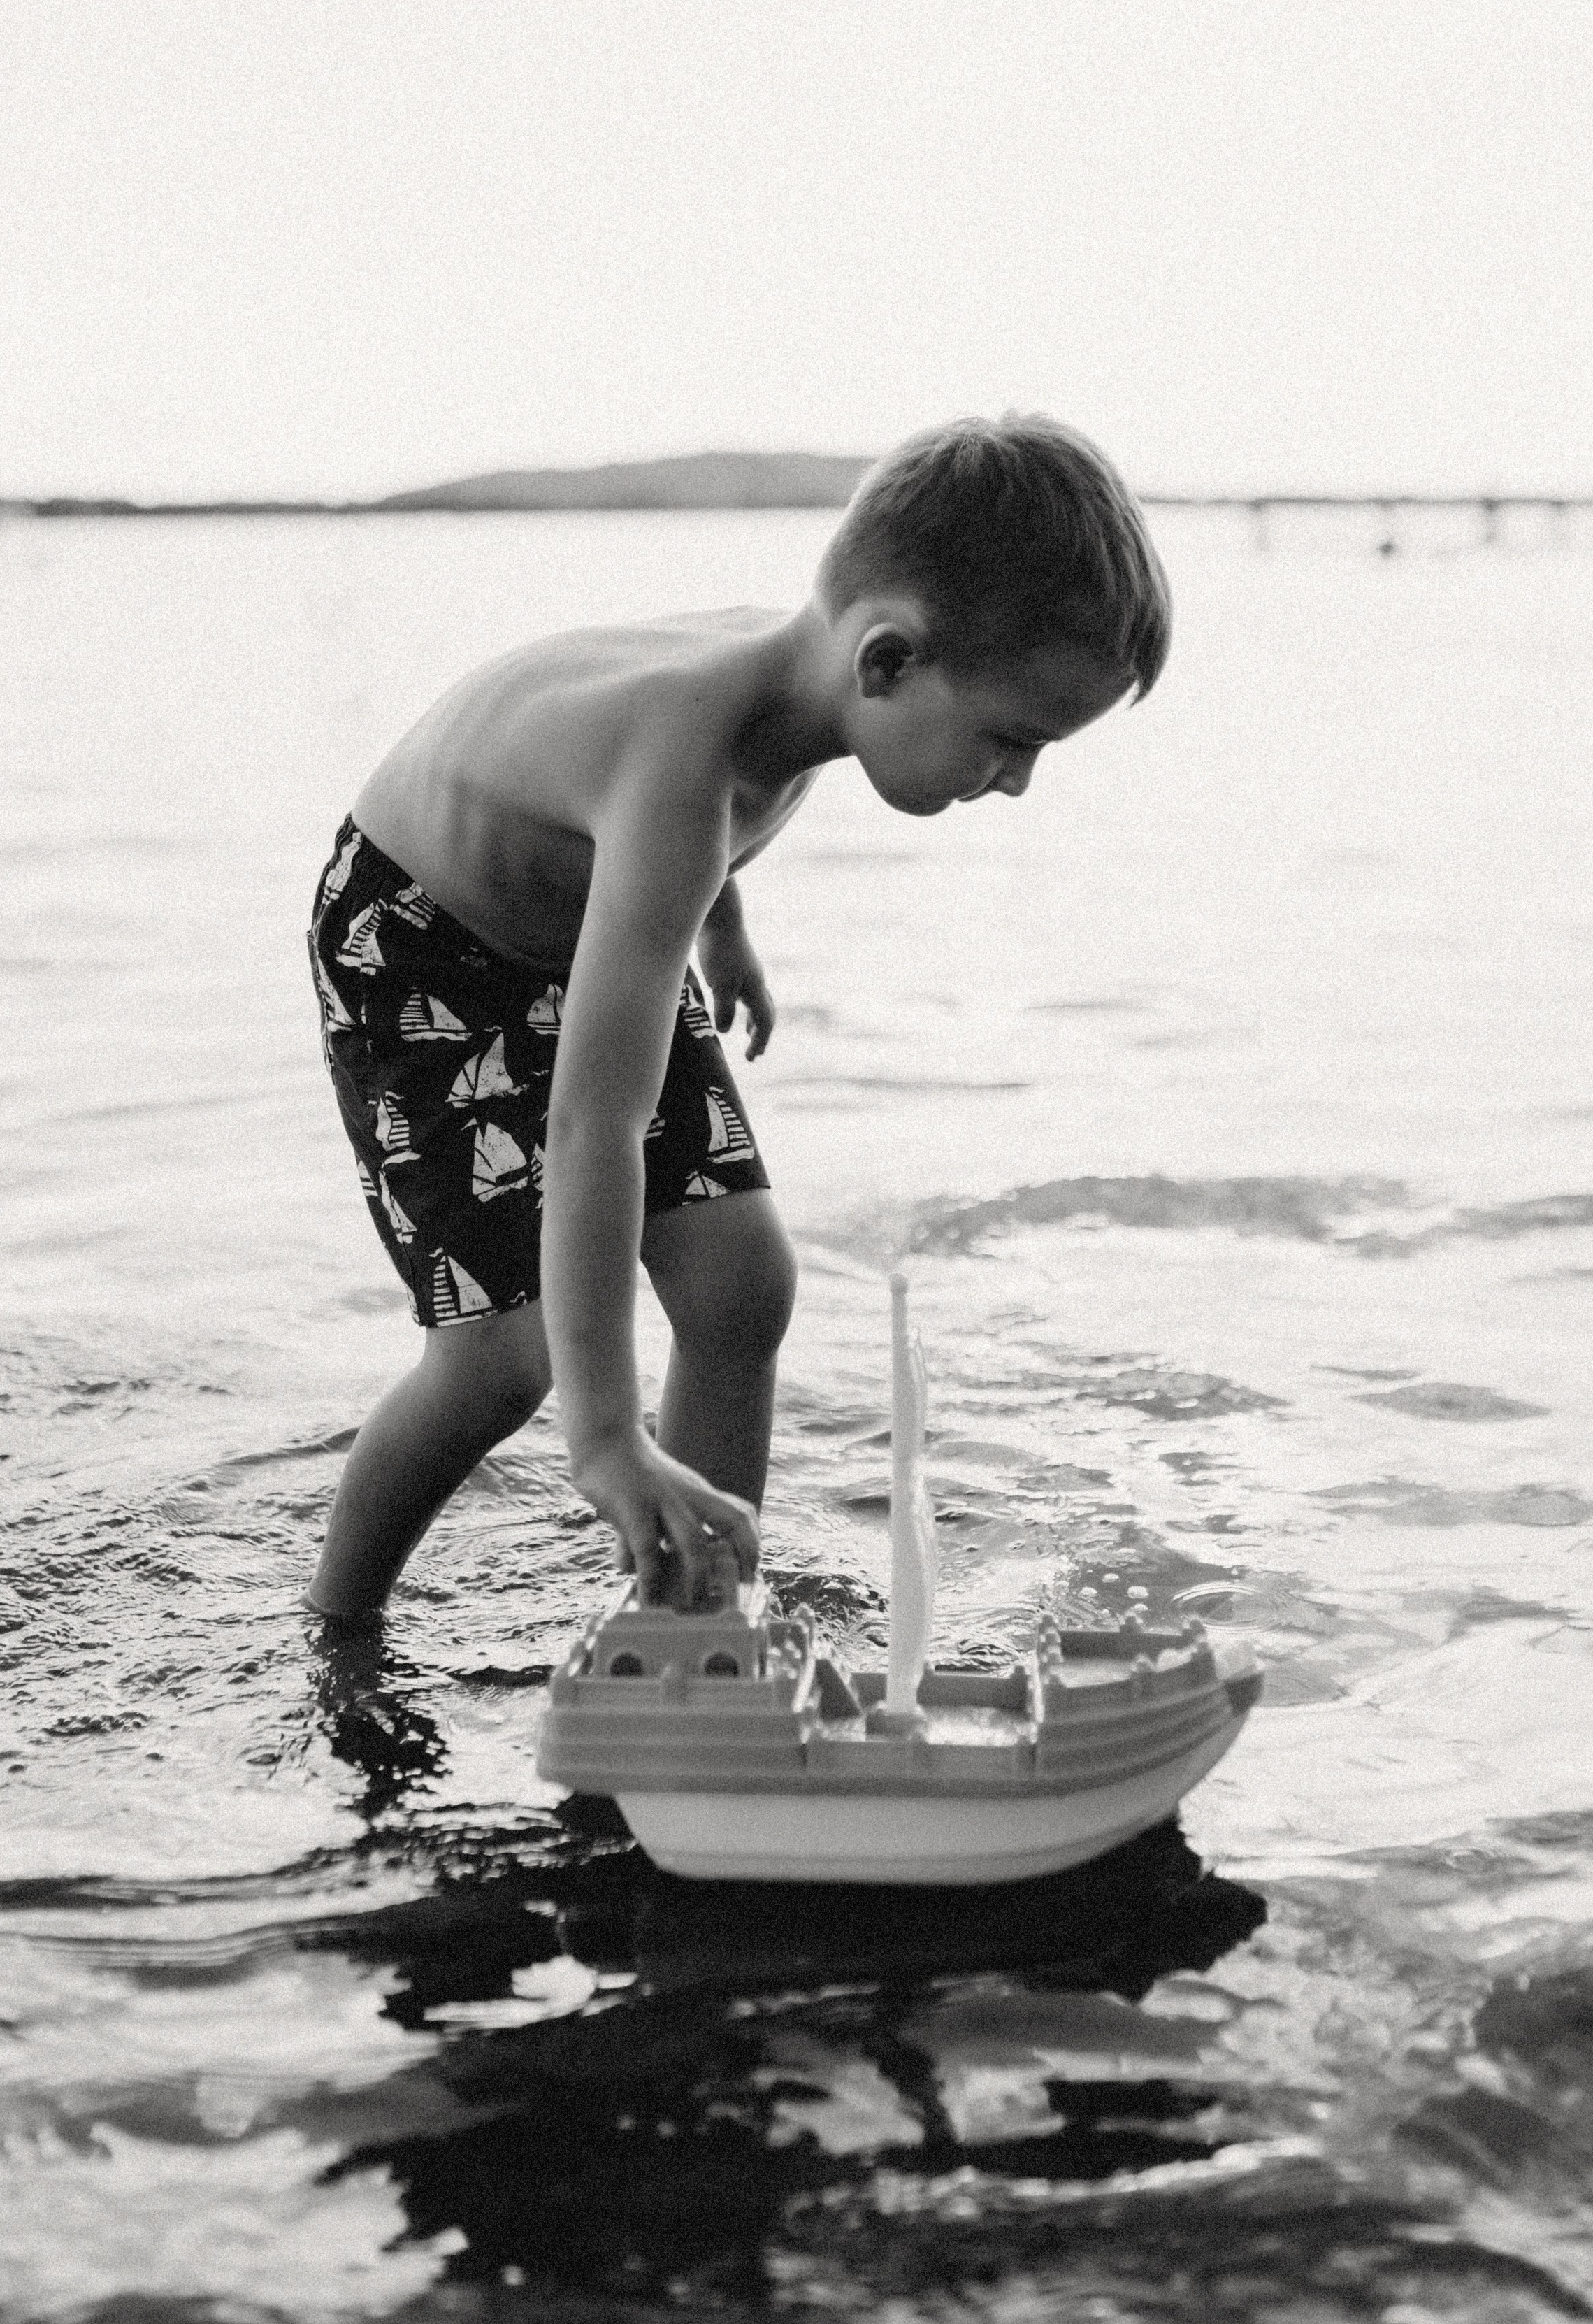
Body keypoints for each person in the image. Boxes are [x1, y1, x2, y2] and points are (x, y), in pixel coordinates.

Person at [304, 413, 1172, 1620]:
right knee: (503, 1361)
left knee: (740, 1283)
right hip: (415, 938)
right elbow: (590, 1123)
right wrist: (603, 1435)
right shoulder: (686, 758)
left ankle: (692, 1620)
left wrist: (722, 927)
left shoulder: (800, 698)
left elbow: (687, 843)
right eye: (1010, 741)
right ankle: (340, 1625)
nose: (1017, 781)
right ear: (888, 664)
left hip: (580, 924)